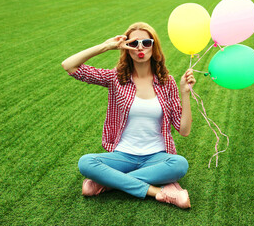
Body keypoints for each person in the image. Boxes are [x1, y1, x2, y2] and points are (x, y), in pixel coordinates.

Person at [62, 22, 196, 209]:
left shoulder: (167, 82)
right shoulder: (116, 79)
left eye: (146, 42)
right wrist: (106, 46)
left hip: (156, 156)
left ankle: (106, 183)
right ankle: (159, 191)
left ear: (154, 47)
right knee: (86, 163)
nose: (140, 47)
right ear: (126, 48)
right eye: (134, 43)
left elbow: (184, 131)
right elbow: (69, 66)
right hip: (123, 155)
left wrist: (185, 93)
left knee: (179, 164)